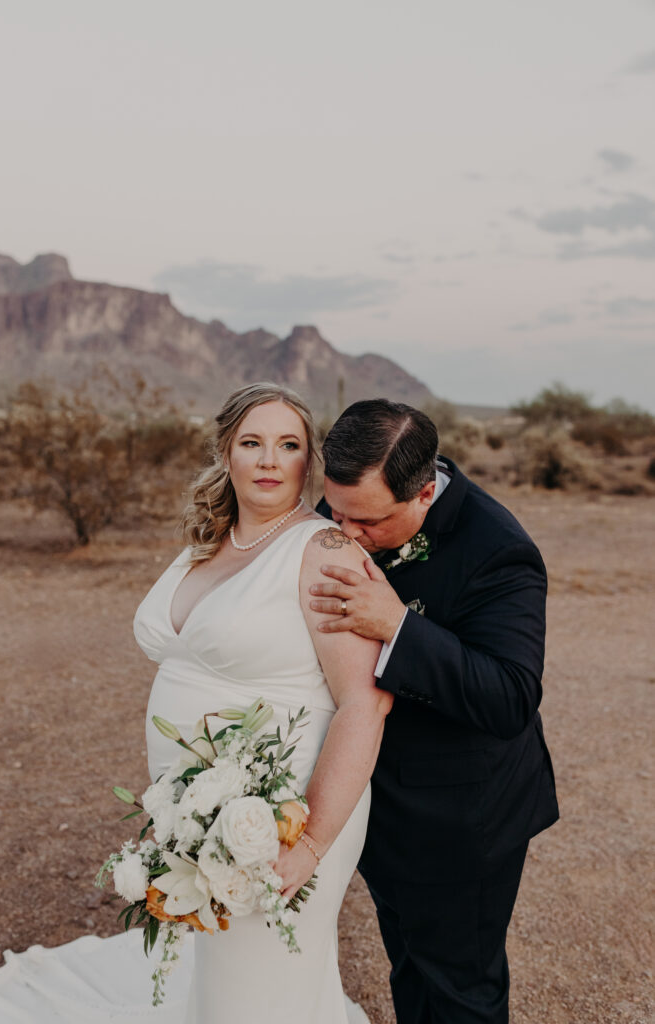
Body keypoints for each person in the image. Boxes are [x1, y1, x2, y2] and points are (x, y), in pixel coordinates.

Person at [134, 382, 391, 1024]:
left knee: (264, 986)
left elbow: (366, 702)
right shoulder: (209, 539)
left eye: (289, 445)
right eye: (252, 443)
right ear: (227, 454)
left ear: (311, 463)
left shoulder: (322, 552)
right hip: (196, 807)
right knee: (229, 980)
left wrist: (306, 847)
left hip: (284, 811)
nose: (270, 460)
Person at [311, 399, 559, 1024]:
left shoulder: (499, 550)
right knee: (411, 968)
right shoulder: (347, 510)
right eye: (333, 509)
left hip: (462, 821)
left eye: (364, 521)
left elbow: (509, 695)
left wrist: (396, 625)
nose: (343, 531)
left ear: (423, 494)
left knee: (460, 991)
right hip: (381, 807)